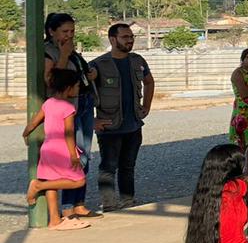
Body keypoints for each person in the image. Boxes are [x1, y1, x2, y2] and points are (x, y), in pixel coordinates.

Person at [90, 23, 154, 210]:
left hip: (133, 125)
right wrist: (92, 121)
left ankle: (128, 200)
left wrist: (146, 106)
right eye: (125, 37)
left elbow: (149, 82)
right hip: (110, 126)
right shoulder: (97, 65)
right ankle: (109, 203)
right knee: (108, 167)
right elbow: (82, 95)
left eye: (131, 37)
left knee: (128, 166)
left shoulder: (138, 61)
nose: (130, 40)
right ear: (112, 39)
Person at [42, 13, 98, 219]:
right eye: (65, 31)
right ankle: (67, 206)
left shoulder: (73, 51)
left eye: (72, 31)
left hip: (83, 103)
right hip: (67, 108)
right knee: (72, 156)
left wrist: (91, 74)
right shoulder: (49, 52)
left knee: (85, 155)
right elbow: (52, 81)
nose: (69, 35)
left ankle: (79, 203)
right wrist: (64, 55)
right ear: (51, 32)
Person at [22, 68, 90, 231]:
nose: (78, 89)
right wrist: (73, 155)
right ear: (68, 88)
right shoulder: (68, 108)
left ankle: (54, 220)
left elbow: (34, 122)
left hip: (48, 148)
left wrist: (25, 133)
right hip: (62, 150)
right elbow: (68, 133)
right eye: (77, 86)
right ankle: (37, 186)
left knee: (51, 182)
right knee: (79, 180)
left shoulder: (48, 103)